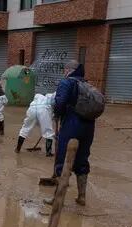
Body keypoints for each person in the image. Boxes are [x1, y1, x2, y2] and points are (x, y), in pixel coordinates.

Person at [45, 60, 96, 207]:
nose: (64, 72)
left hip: (71, 125)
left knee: (62, 159)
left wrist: (57, 114)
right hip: (89, 127)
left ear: (69, 70)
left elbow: (60, 103)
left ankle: (58, 199)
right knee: (82, 160)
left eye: (65, 70)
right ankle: (81, 197)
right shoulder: (87, 85)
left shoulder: (67, 83)